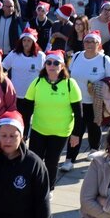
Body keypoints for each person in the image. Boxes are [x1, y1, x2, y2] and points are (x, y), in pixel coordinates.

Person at [62, 32, 110, 171]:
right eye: (87, 41)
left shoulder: (105, 60)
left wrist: (100, 85)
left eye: (93, 42)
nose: (89, 44)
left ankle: (94, 150)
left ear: (98, 44)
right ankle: (70, 159)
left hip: (95, 101)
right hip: (76, 101)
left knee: (94, 126)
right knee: (76, 129)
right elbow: (67, 74)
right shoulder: (76, 56)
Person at [26, 50, 82, 189]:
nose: (52, 65)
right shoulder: (37, 82)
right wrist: (23, 132)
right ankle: (33, 186)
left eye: (56, 63)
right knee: (34, 160)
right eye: (49, 62)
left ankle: (49, 188)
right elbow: (26, 109)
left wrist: (76, 134)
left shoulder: (70, 84)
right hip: (39, 129)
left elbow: (79, 113)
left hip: (60, 131)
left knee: (52, 162)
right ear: (45, 65)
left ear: (62, 66)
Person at [2, 26, 45, 130]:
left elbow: (45, 75)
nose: (26, 43)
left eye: (29, 40)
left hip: (32, 96)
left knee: (26, 120)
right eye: (24, 40)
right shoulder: (14, 54)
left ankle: (24, 139)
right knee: (14, 120)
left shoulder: (40, 56)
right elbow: (2, 68)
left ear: (34, 42)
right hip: (15, 95)